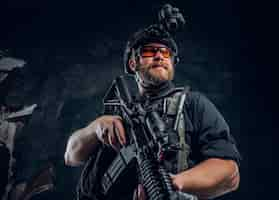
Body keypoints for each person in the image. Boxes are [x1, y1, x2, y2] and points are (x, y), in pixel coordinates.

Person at [64, 24, 241, 200]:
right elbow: (71, 156)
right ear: (133, 63)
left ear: (172, 63)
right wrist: (96, 127)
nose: (159, 56)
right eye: (149, 51)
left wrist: (175, 183)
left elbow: (229, 172)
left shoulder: (192, 104)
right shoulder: (118, 111)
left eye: (166, 53)